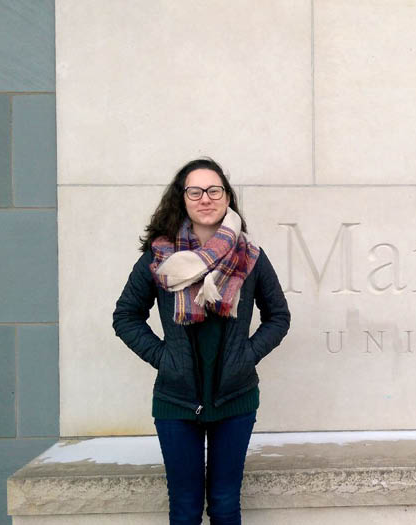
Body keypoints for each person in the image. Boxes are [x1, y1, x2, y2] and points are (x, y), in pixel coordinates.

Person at [112, 157, 291, 525]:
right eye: (195, 191)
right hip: (176, 401)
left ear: (227, 198)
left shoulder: (250, 257)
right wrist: (165, 358)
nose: (205, 198)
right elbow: (126, 316)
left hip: (235, 399)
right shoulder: (159, 257)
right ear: (183, 198)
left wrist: (247, 355)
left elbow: (279, 317)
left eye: (214, 190)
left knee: (225, 504)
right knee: (185, 506)